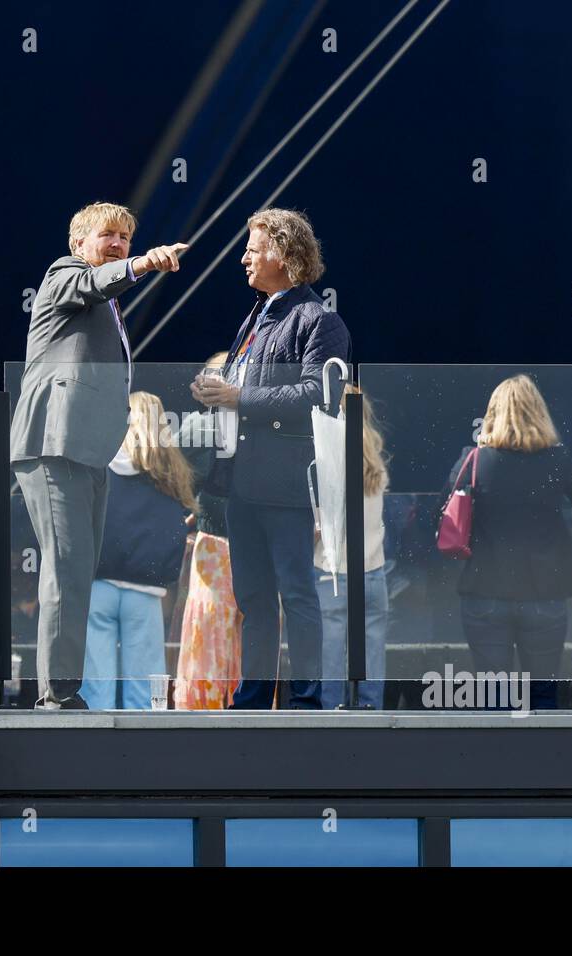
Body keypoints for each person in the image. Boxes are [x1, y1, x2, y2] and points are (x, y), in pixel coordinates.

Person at [10, 200, 188, 709]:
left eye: (126, 239)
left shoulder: (105, 302)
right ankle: (58, 694)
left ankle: (64, 688)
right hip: (54, 441)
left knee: (77, 568)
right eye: (107, 235)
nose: (117, 244)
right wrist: (143, 264)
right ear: (78, 245)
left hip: (88, 449)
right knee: (66, 567)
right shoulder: (64, 274)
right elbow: (96, 282)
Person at [190, 208, 351, 710]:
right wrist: (214, 390)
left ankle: (305, 700)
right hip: (242, 482)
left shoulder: (318, 319)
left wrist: (237, 398)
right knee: (253, 598)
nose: (244, 258)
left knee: (296, 593)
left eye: (253, 248)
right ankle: (254, 696)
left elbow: (316, 396)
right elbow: (246, 385)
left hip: (284, 483)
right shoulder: (257, 316)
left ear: (283, 254)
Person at [441, 375, 572, 710]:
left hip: (485, 590)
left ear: (493, 414)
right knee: (542, 696)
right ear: (539, 413)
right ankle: (544, 761)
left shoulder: (476, 459)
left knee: (494, 697)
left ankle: (498, 761)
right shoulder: (558, 460)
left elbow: (443, 508)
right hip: (545, 593)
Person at [81, 391, 195, 709]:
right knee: (144, 692)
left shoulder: (98, 465)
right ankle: (142, 751)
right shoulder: (169, 473)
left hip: (98, 585)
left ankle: (97, 747)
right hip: (146, 591)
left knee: (96, 686)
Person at [174, 353, 243, 710]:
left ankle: (211, 713)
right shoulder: (201, 427)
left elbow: (179, 482)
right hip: (221, 545)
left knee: (213, 636)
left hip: (229, 545)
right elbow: (180, 482)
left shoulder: (206, 427)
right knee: (224, 635)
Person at [317, 384, 390, 710]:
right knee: (372, 648)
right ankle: (370, 709)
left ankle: (331, 712)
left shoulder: (325, 458)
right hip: (374, 569)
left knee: (330, 649)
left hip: (331, 570)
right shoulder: (374, 460)